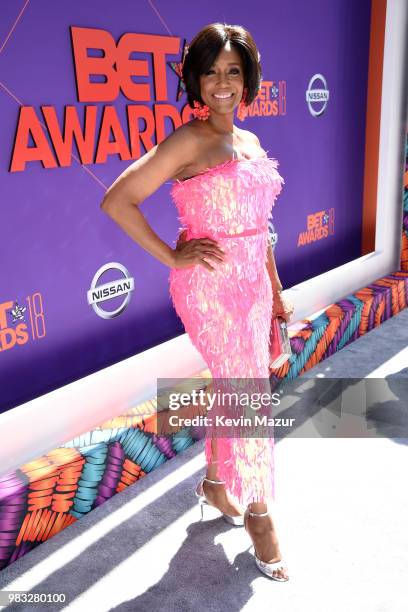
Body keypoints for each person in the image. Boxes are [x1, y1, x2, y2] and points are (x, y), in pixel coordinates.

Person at [100, 22, 294, 581]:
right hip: (209, 288)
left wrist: (276, 290)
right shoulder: (188, 140)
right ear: (196, 79)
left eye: (233, 71)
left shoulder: (250, 142)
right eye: (211, 72)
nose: (222, 83)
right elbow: (119, 200)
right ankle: (259, 512)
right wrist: (172, 256)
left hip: (254, 286)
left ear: (248, 78)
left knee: (238, 387)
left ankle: (214, 482)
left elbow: (261, 228)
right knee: (248, 393)